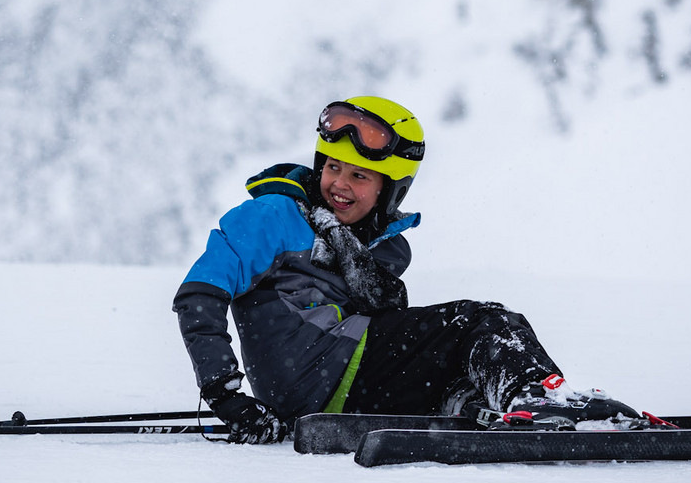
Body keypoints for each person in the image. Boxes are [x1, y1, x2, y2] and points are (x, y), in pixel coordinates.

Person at [173, 96, 642, 442]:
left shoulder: (381, 249)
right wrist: (225, 394)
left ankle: (475, 405)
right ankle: (540, 401)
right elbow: (200, 293)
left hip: (341, 383)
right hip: (318, 376)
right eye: (334, 168)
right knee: (478, 322)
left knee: (456, 356)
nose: (340, 184)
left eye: (360, 176)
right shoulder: (274, 216)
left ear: (389, 191)